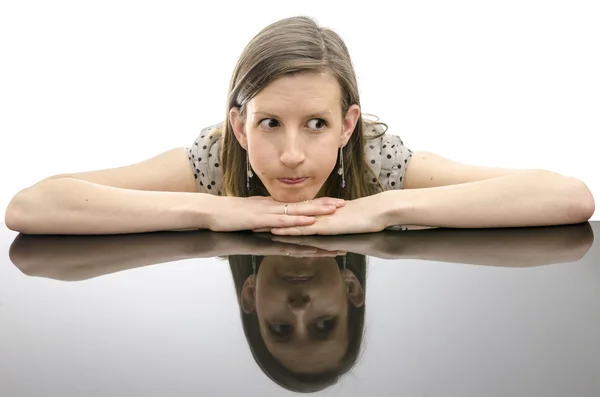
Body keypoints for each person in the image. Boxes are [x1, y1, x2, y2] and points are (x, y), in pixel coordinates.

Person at [4, 16, 595, 236]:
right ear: (238, 126)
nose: (290, 155)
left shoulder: (377, 161)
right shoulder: (215, 161)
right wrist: (214, 209)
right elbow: (32, 207)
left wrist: (382, 208)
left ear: (348, 126)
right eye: (269, 123)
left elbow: (568, 197)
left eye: (316, 123)